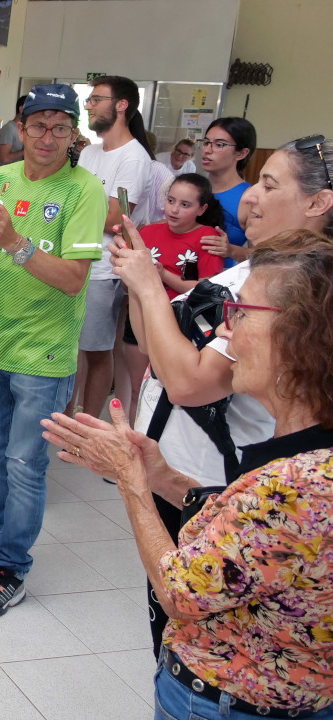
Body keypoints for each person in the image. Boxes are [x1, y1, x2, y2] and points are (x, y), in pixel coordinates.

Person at [41, 233, 333, 719]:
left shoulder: (297, 484)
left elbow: (181, 590)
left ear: (298, 337)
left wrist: (132, 482)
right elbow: (257, 540)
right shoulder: (301, 463)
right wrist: (164, 477)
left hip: (230, 701)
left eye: (241, 313)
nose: (226, 331)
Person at [112, 135, 333, 650]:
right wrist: (137, 278)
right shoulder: (249, 273)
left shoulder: (287, 292)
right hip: (178, 463)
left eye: (270, 184)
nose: (251, 196)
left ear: (318, 203)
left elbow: (190, 383)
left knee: (203, 620)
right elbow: (157, 351)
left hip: (221, 476)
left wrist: (149, 285)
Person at [0, 84, 106, 618]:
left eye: (61, 128)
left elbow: (75, 280)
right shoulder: (2, 180)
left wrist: (14, 241)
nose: (49, 138)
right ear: (20, 125)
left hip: (45, 356)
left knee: (25, 464)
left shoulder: (85, 190)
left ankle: (11, 568)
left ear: (74, 134)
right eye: (39, 126)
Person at [72, 75, 152, 418]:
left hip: (102, 270)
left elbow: (116, 219)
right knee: (70, 348)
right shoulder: (89, 152)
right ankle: (65, 415)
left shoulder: (134, 158)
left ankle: (88, 426)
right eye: (89, 100)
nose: (88, 105)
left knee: (96, 350)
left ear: (122, 106)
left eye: (96, 99)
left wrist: (76, 209)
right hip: (72, 260)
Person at [116, 174, 226, 415]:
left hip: (181, 324)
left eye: (185, 205)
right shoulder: (148, 232)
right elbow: (129, 285)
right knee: (139, 389)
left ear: (202, 208)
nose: (174, 210)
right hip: (140, 315)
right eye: (171, 201)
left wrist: (161, 275)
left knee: (168, 392)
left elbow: (209, 290)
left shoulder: (208, 237)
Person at [199, 117, 257, 269]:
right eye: (206, 142)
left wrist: (230, 250)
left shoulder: (250, 198)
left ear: (241, 153)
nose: (207, 150)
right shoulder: (193, 187)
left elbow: (262, 256)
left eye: (219, 145)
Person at [0, 94, 27, 166]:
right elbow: (4, 158)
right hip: (6, 175)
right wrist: (25, 151)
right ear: (21, 109)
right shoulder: (9, 129)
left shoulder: (24, 129)